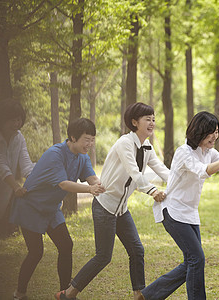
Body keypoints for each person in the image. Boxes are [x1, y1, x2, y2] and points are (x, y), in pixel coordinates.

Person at [56, 103, 169, 300]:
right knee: (103, 257)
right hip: (105, 206)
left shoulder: (147, 147)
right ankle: (68, 293)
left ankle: (138, 295)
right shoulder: (125, 143)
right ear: (134, 122)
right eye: (147, 119)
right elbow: (134, 172)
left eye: (153, 119)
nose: (152, 123)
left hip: (121, 209)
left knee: (137, 250)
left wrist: (184, 182)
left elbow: (163, 170)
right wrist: (152, 191)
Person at [138, 111, 219, 300]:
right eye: (211, 132)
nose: (215, 136)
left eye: (217, 131)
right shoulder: (184, 152)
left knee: (191, 261)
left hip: (190, 213)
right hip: (173, 211)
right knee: (197, 259)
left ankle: (148, 295)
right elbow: (203, 171)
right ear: (198, 131)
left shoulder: (209, 152)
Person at [10, 118, 106, 300]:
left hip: (51, 209)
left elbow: (91, 178)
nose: (90, 144)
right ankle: (19, 293)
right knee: (36, 252)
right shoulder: (55, 154)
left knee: (66, 245)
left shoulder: (83, 157)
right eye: (87, 139)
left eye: (93, 139)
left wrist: (101, 185)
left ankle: (65, 293)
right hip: (31, 206)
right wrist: (90, 189)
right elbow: (63, 184)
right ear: (73, 137)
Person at [0, 100, 35, 297]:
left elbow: (27, 166)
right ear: (1, 120)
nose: (16, 123)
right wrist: (16, 187)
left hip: (4, 199)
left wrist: (45, 172)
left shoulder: (19, 138)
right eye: (12, 119)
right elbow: (1, 166)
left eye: (19, 119)